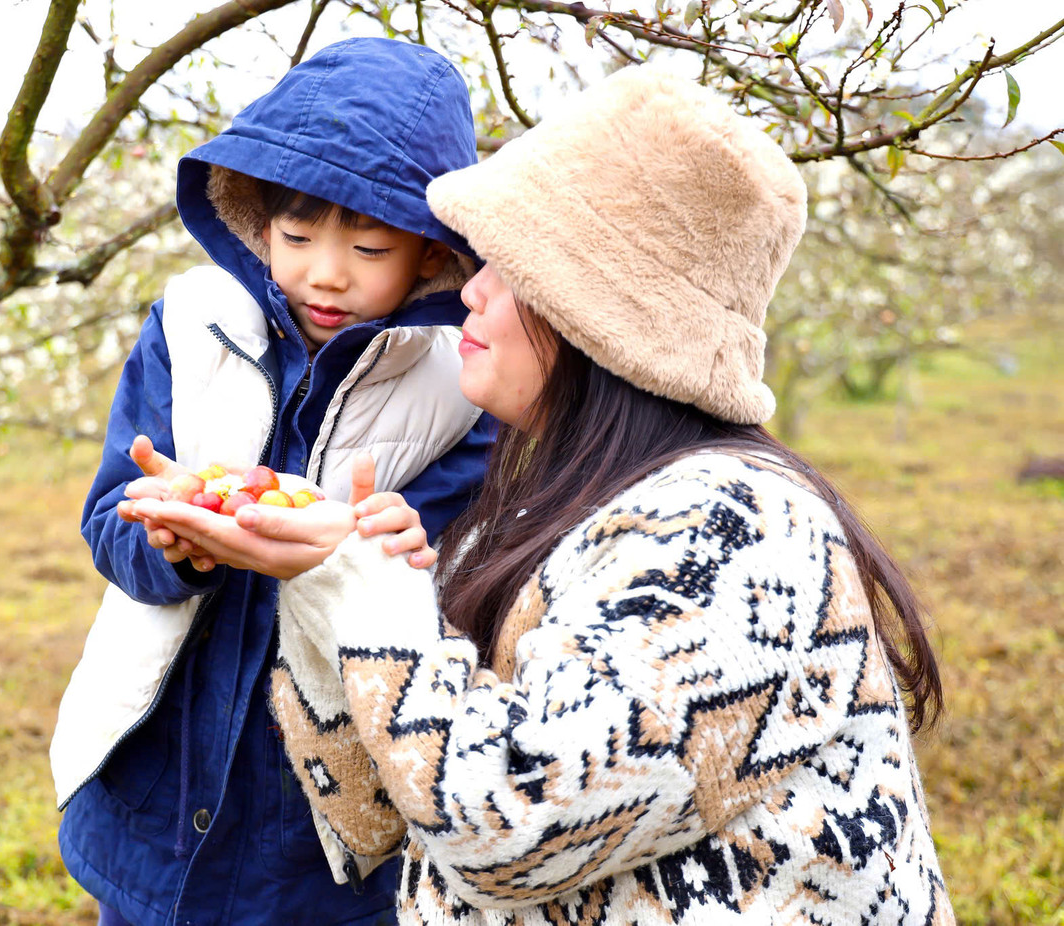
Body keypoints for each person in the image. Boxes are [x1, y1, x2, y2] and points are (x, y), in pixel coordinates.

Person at [130, 67, 955, 924]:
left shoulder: (733, 534)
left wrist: (363, 591)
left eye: (507, 266)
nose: (469, 289)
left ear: (599, 313)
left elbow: (507, 833)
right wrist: (325, 574)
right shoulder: (540, 511)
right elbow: (371, 814)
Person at [50, 38, 495, 925]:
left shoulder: (462, 379)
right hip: (161, 774)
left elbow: (462, 575)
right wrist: (168, 540)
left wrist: (392, 548)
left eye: (370, 246)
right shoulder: (191, 326)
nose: (325, 272)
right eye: (296, 236)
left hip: (325, 803)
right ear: (257, 222)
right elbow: (110, 520)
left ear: (431, 255)